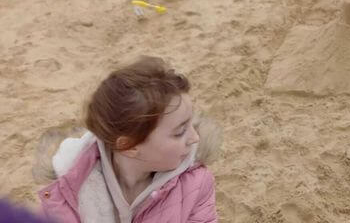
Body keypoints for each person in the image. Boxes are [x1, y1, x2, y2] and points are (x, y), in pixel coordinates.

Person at [36, 56, 221, 223]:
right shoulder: (66, 191)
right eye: (180, 132)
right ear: (128, 146)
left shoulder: (196, 183)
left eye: (191, 124)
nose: (195, 138)